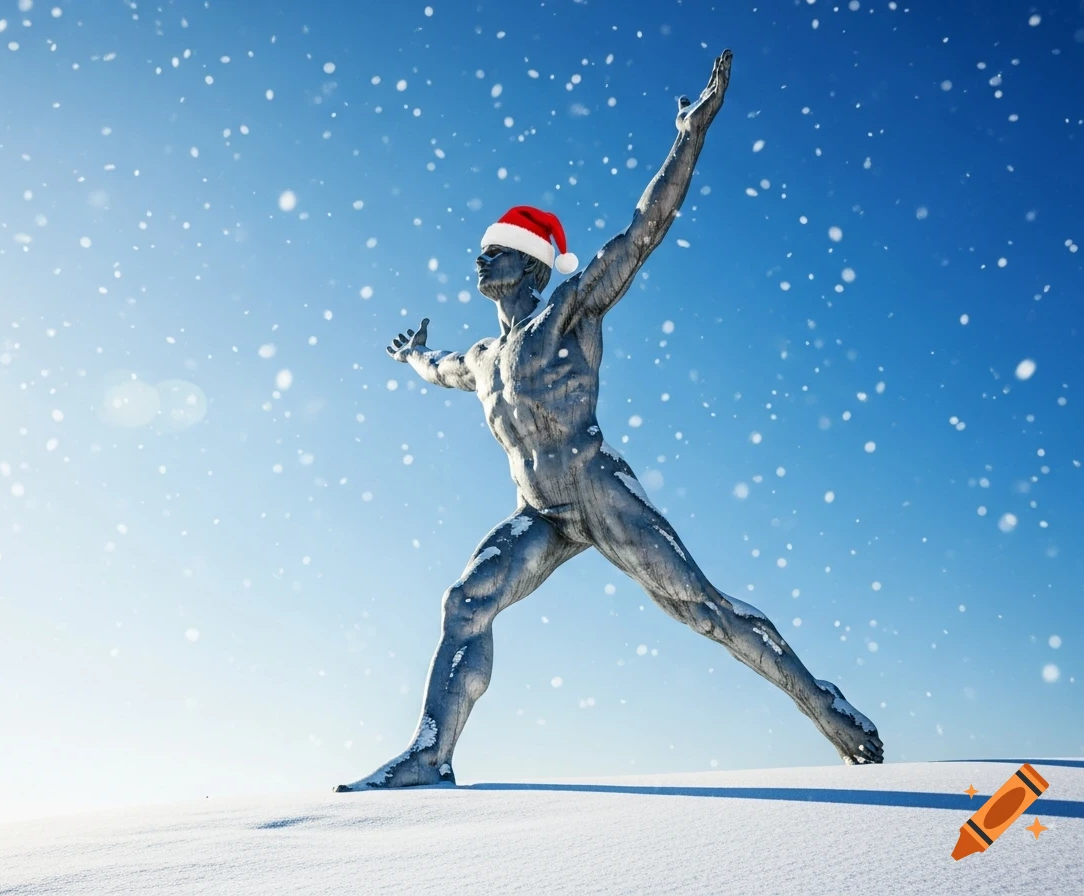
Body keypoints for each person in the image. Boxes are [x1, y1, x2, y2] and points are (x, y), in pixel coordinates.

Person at [336, 50, 882, 792]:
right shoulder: (484, 356)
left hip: (597, 486)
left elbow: (643, 230)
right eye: (479, 250)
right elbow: (440, 370)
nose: (479, 259)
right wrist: (413, 357)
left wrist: (688, 138)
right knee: (465, 602)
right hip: (542, 512)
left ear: (531, 266)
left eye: (496, 251)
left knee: (705, 611)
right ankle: (430, 755)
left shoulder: (568, 311)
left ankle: (825, 705)